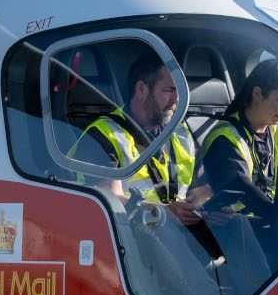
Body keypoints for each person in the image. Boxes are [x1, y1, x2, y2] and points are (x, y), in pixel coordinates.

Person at [72, 51, 205, 221]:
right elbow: (109, 200)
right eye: (169, 90)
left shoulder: (181, 133)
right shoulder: (104, 134)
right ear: (142, 89)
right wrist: (166, 212)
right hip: (127, 233)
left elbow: (199, 187)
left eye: (179, 91)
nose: (177, 99)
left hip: (178, 229)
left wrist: (205, 201)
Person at [199, 57, 278, 223]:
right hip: (234, 231)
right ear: (257, 94)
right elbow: (240, 188)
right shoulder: (225, 138)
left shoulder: (276, 131)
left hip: (263, 224)